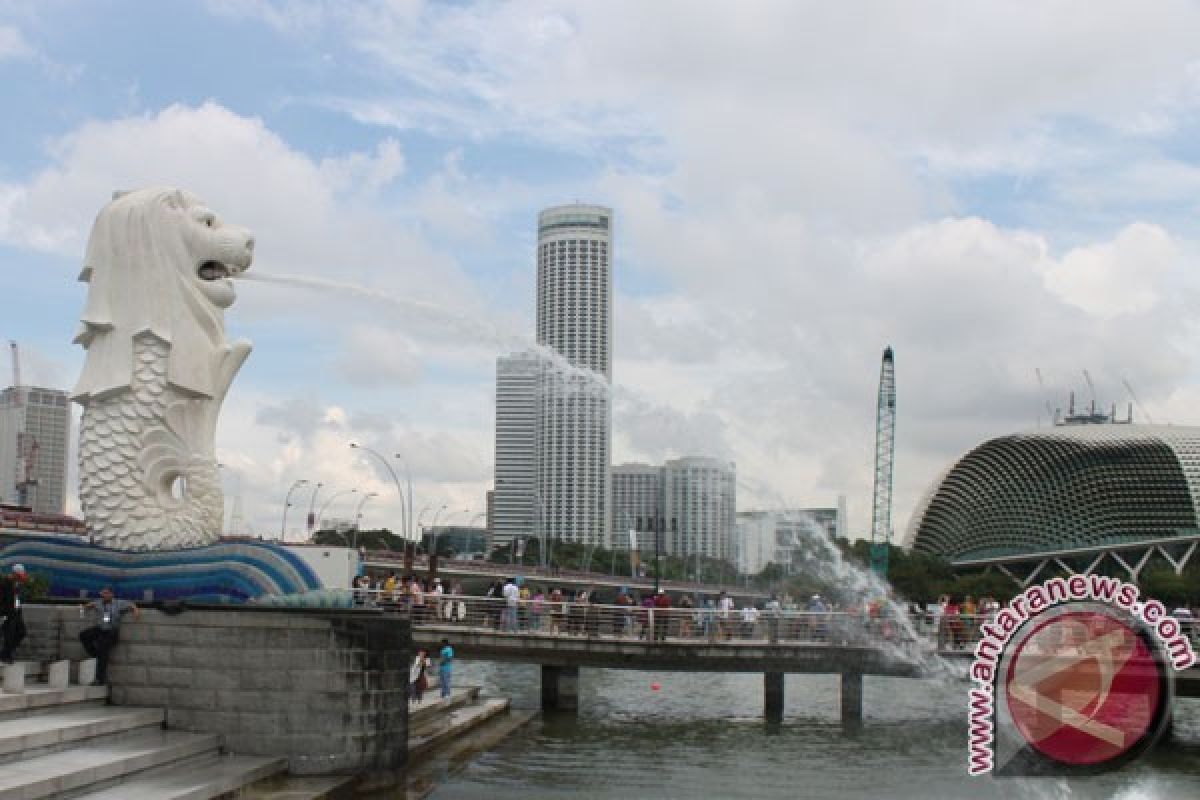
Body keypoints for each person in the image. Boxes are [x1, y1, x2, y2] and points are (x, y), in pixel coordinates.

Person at [78, 586, 140, 685]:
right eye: (103, 594)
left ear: (112, 594)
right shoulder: (99, 602)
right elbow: (90, 605)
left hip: (111, 631)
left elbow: (131, 605)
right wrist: (85, 608)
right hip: (100, 629)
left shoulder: (118, 603)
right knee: (83, 635)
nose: (104, 595)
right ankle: (95, 654)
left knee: (103, 649)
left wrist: (135, 610)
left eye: (106, 593)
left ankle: (99, 679)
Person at [0, 564, 29, 664]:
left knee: (21, 632)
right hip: (8, 613)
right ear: (14, 574)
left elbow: (18, 598)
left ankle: (5, 653)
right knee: (9, 635)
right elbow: (3, 600)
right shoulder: (5, 583)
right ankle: (6, 656)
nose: (21, 578)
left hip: (17, 612)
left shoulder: (17, 584)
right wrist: (3, 613)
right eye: (19, 575)